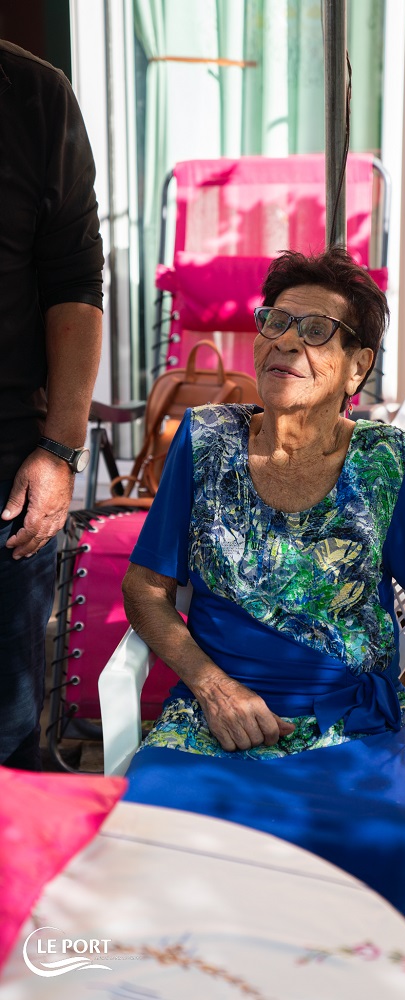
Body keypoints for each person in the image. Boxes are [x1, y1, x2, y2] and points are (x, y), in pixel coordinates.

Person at [121, 247, 405, 920]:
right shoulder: (204, 442)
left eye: (315, 331)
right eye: (275, 321)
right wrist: (212, 686)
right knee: (152, 840)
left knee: (364, 859)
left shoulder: (384, 463)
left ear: (356, 366)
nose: (286, 341)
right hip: (215, 720)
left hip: (348, 730)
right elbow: (145, 588)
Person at [0, 40, 103, 770]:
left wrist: (61, 449)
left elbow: (74, 281)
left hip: (7, 464)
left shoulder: (36, 95)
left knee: (7, 733)